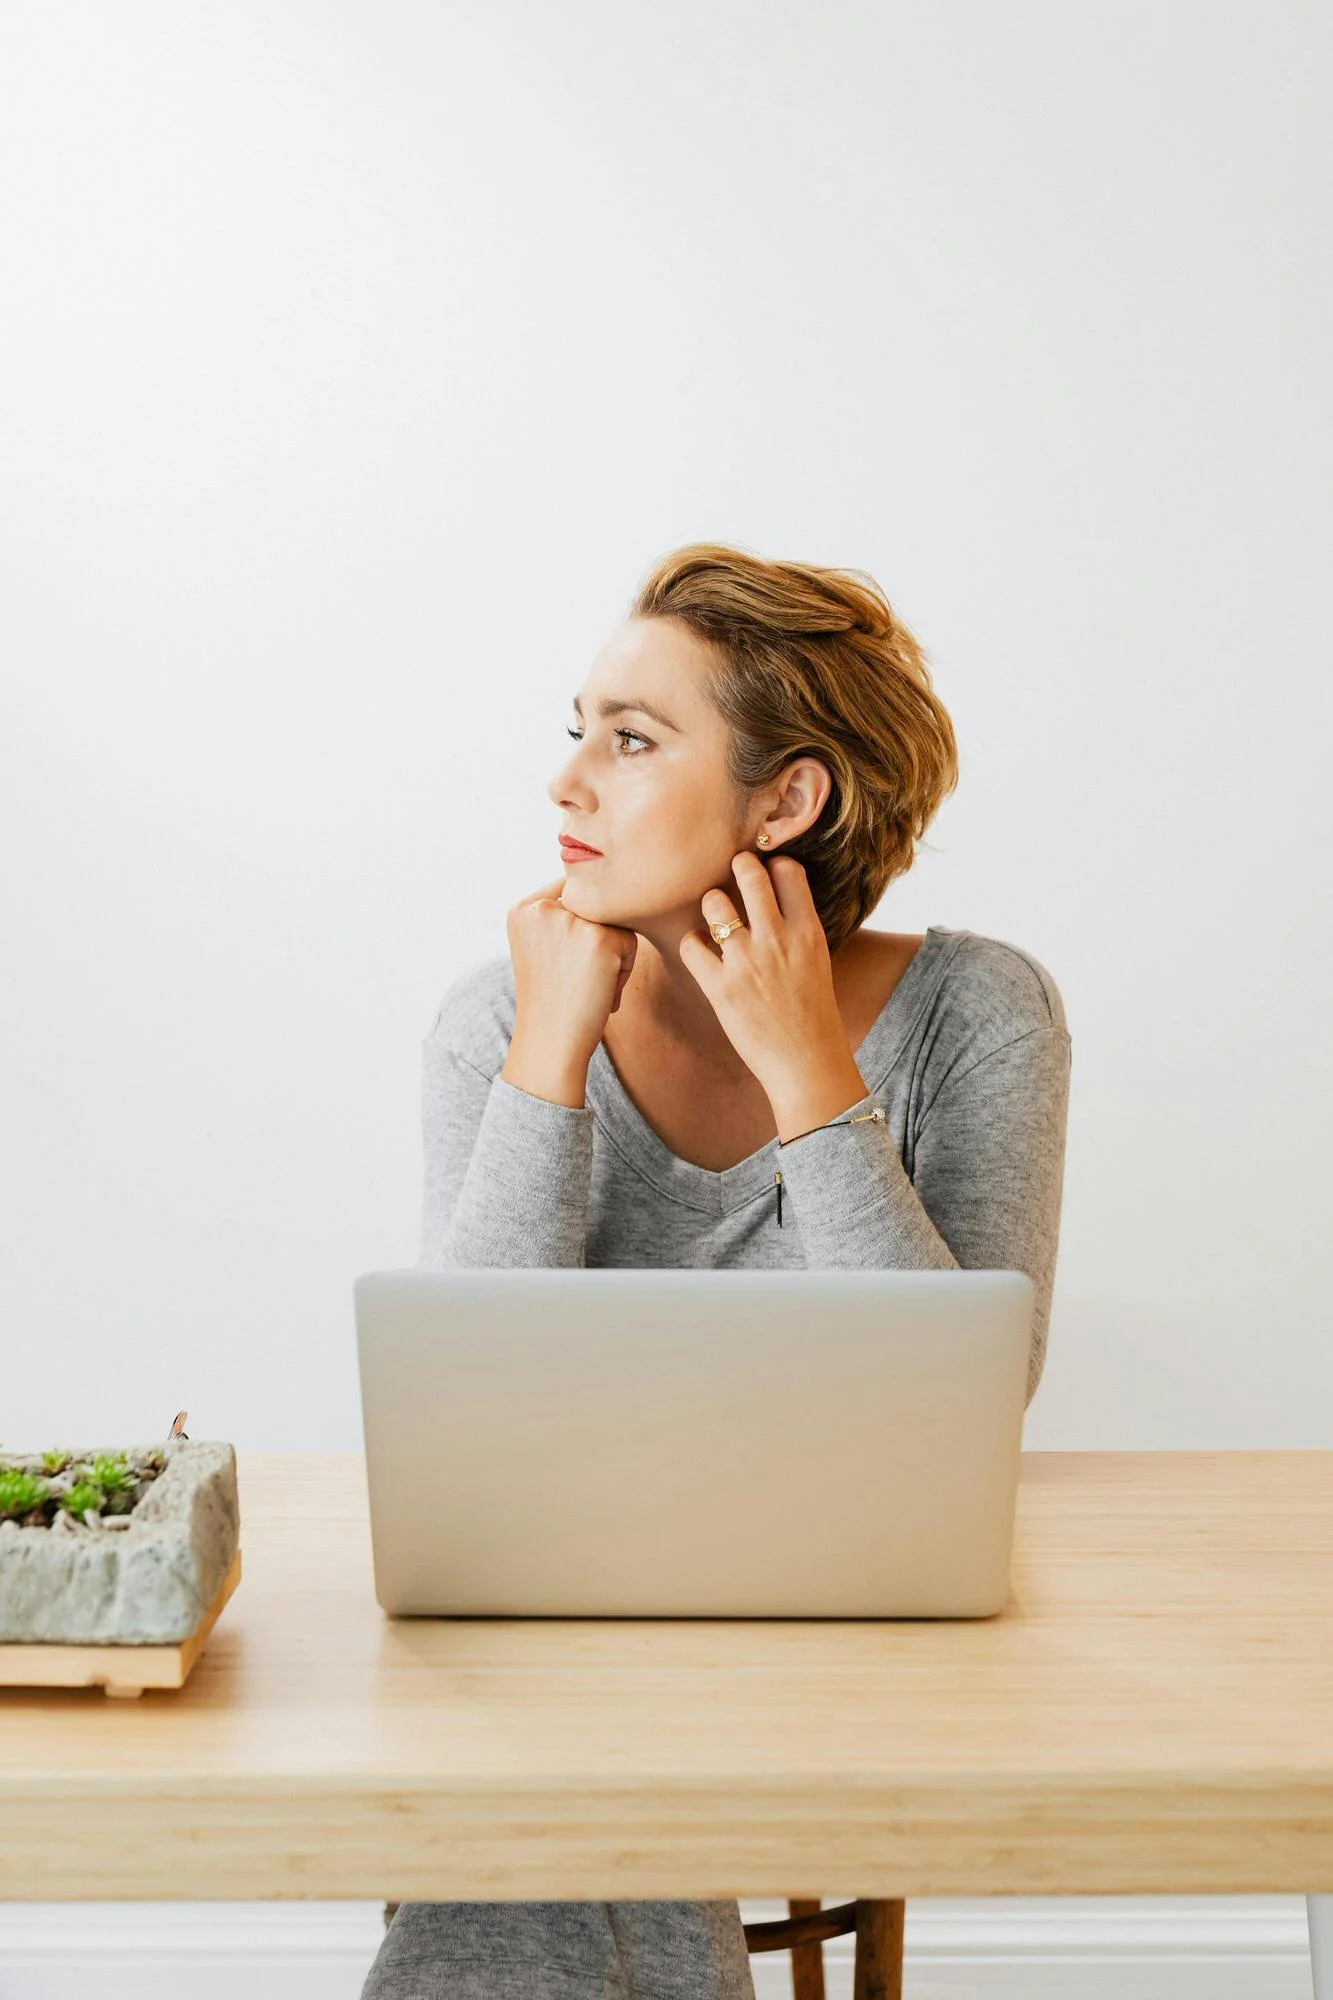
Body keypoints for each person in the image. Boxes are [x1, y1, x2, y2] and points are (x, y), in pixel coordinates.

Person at [360, 542, 1073, 2000]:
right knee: (564, 1744)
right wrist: (547, 1060)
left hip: (855, 1619)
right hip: (560, 1631)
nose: (567, 785)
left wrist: (811, 1071)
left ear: (788, 796)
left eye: (630, 741)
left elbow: (963, 1403)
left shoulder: (978, 1014)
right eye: (578, 734)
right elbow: (471, 1413)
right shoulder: (493, 1016)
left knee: (556, 1785)